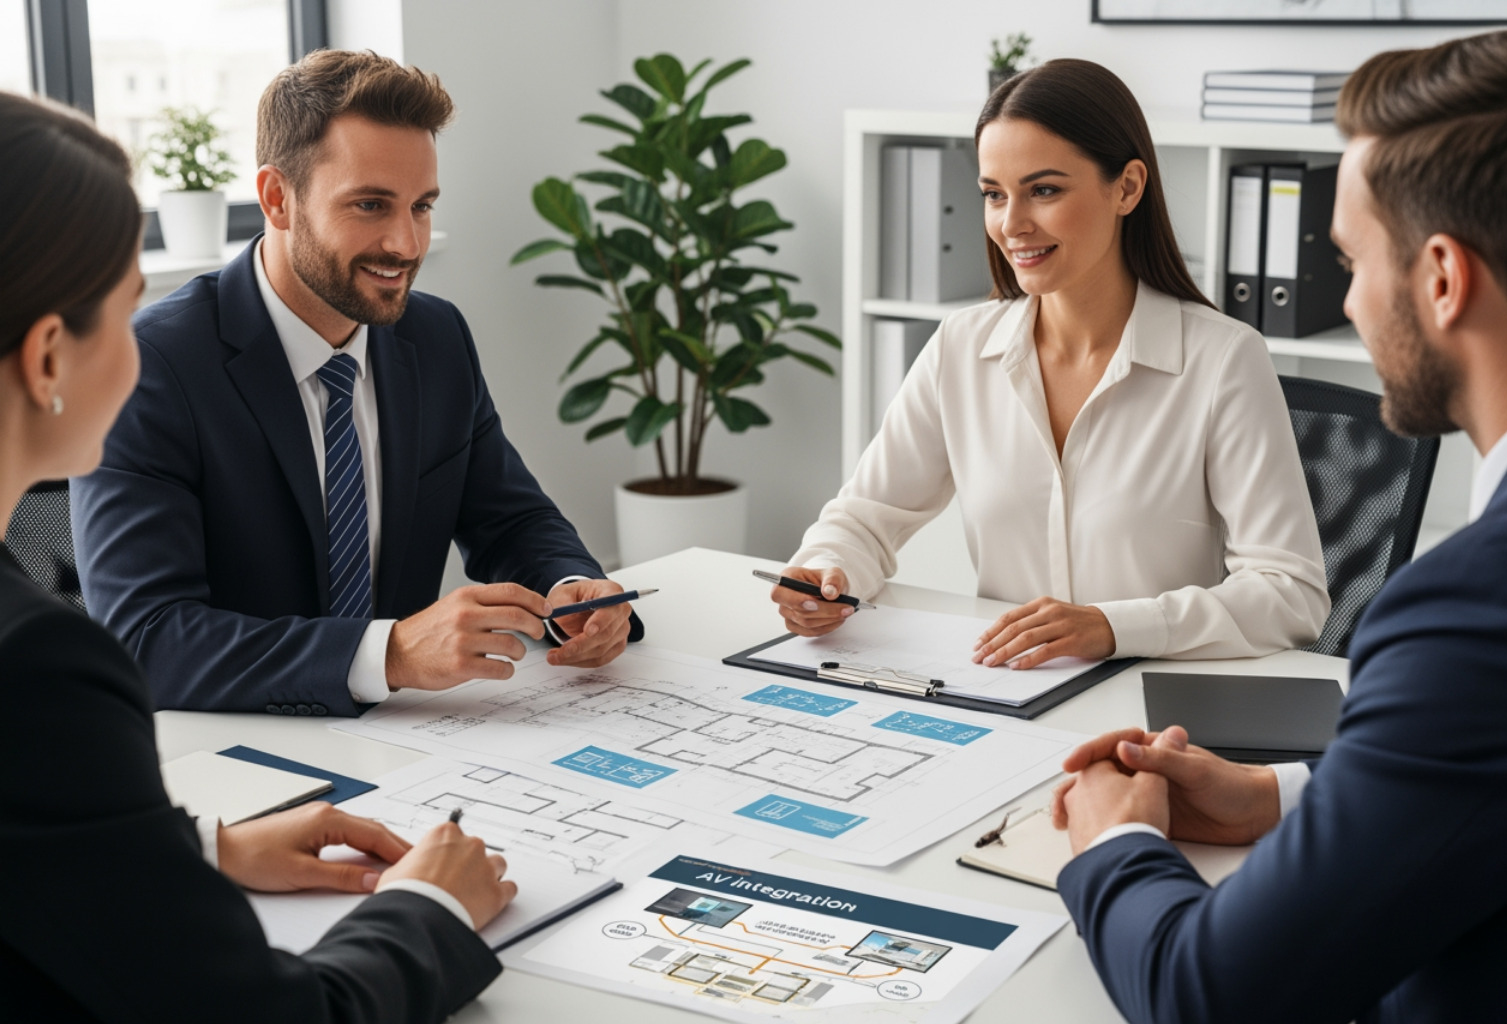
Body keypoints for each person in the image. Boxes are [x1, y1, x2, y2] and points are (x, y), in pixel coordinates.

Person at [1052, 30, 1507, 1023]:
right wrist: (1282, 796)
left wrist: (1115, 839)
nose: (1347, 302)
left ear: (1443, 278)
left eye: (1353, 262)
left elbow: (1212, 994)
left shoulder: (1482, 602)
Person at [0, 89, 515, 1022]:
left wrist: (197, 848)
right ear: (47, 360)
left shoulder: (432, 338)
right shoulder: (38, 671)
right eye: (124, 311)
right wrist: (430, 905)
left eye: (423, 206)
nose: (140, 342)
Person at [70, 49, 639, 716]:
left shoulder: (436, 337)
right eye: (370, 205)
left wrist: (574, 589)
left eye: (421, 206)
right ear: (278, 199)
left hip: (412, 742)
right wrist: (389, 655)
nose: (405, 243)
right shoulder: (152, 365)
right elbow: (144, 638)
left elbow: (510, 518)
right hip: (236, 758)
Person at [773, 60, 1328, 669]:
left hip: (1147, 711)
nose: (1011, 225)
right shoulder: (961, 347)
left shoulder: (1222, 360)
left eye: (1044, 190)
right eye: (993, 194)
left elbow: (1290, 594)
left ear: (1127, 187)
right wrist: (828, 572)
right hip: (1002, 696)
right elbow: (865, 517)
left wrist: (1113, 627)